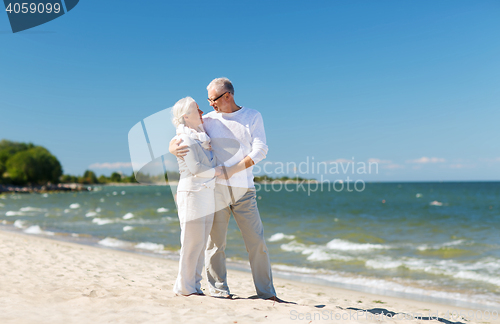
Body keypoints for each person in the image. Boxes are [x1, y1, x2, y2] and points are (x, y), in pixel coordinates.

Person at [170, 78, 283, 302]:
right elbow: (184, 132)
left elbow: (261, 150)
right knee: (215, 245)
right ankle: (219, 291)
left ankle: (266, 293)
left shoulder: (252, 116)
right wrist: (172, 147)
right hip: (215, 191)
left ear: (227, 96)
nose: (209, 105)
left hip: (244, 191)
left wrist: (232, 170)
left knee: (256, 242)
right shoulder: (208, 120)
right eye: (208, 100)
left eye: (213, 99)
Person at [171, 96, 222, 296]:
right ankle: (184, 287)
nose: (202, 112)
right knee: (191, 241)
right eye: (197, 109)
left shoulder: (202, 138)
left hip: (206, 194)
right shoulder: (183, 139)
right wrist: (219, 171)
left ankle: (195, 285)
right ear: (186, 116)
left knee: (200, 243)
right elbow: (196, 169)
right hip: (192, 193)